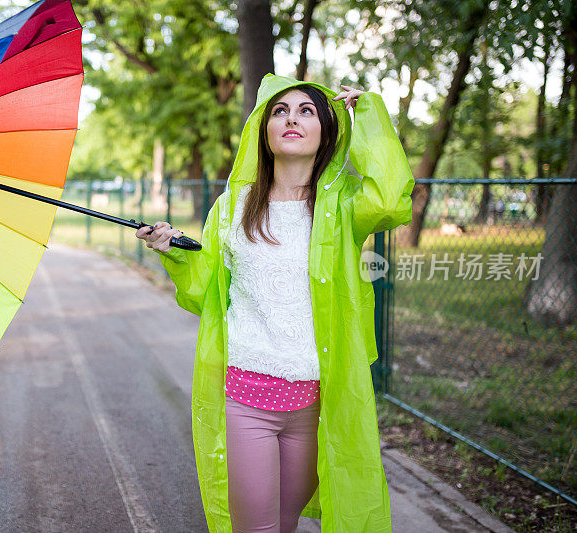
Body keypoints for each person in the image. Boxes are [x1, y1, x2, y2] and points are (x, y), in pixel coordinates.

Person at [136, 73, 414, 533]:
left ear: (327, 130)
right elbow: (204, 291)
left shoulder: (342, 207)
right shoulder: (232, 206)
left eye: (307, 111)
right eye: (280, 111)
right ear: (262, 131)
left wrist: (368, 115)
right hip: (247, 398)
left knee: (284, 525)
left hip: (314, 405)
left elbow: (390, 200)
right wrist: (174, 255)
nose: (292, 119)